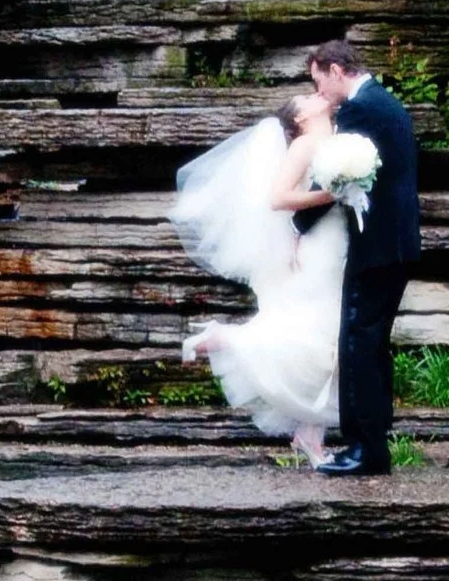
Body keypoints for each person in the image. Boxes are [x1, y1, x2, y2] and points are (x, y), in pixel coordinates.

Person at [170, 94, 351, 465]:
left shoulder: (337, 139)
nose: (316, 96)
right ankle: (222, 339)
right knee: (321, 337)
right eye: (307, 99)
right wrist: (330, 193)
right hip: (318, 247)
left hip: (335, 241)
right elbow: (278, 197)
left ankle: (311, 435)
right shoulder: (304, 145)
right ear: (300, 118)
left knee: (331, 343)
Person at [301, 37, 421, 477]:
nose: (319, 93)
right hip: (399, 244)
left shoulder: (359, 110)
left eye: (319, 82)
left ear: (336, 70)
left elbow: (337, 181)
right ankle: (374, 442)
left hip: (376, 248)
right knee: (373, 345)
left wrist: (297, 226)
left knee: (358, 346)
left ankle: (366, 450)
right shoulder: (386, 102)